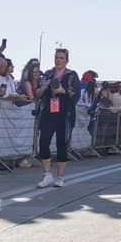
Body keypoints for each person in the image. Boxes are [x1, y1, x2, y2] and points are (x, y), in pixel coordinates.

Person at [36, 48, 78, 187]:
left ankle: (60, 177)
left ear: (66, 60)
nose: (58, 60)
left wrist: (62, 91)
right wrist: (43, 88)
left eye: (61, 58)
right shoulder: (48, 74)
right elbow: (37, 93)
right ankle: (47, 174)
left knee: (61, 143)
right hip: (48, 112)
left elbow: (75, 95)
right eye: (56, 57)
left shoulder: (71, 75)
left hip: (64, 114)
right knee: (43, 141)